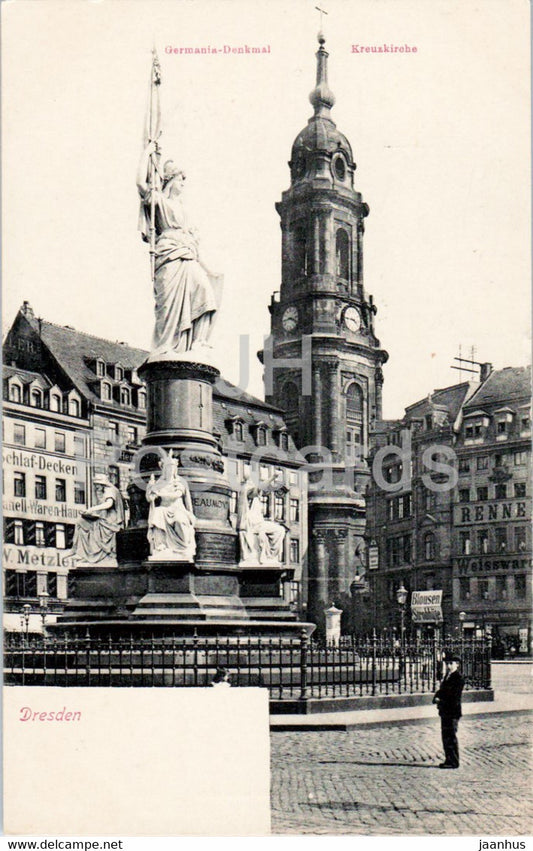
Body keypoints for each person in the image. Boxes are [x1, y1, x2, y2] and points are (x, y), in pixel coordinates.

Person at [137, 140, 218, 358]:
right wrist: (147, 152)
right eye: (181, 180)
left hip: (188, 256)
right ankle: (166, 346)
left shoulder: (185, 210)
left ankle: (198, 343)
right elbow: (141, 184)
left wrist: (210, 270)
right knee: (168, 309)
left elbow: (195, 244)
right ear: (171, 180)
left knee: (205, 290)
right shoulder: (160, 201)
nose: (183, 184)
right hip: (169, 256)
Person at [146, 451, 196, 560]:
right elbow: (150, 498)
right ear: (164, 469)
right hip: (164, 508)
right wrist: (149, 488)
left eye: (172, 468)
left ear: (175, 470)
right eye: (168, 468)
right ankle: (161, 546)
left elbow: (176, 495)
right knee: (157, 513)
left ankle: (182, 548)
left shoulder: (180, 482)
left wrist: (159, 493)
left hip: (178, 509)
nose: (170, 470)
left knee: (179, 520)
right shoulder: (159, 483)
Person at [72, 474, 125, 565]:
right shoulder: (104, 491)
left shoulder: (110, 490)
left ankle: (94, 556)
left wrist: (92, 509)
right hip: (103, 519)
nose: (96, 487)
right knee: (80, 522)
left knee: (93, 527)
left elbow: (109, 504)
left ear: (102, 483)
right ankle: (81, 553)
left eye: (97, 484)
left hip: (110, 521)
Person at [237, 471, 286, 565]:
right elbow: (259, 488)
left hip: (260, 524)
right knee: (277, 531)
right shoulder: (247, 490)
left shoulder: (254, 495)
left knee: (280, 530)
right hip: (253, 525)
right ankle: (268, 557)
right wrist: (272, 477)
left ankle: (271, 557)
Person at [432, 652, 464, 769]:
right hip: (445, 711)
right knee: (445, 736)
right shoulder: (448, 676)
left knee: (450, 736)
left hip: (452, 711)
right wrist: (436, 697)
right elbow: (442, 690)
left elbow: (453, 696)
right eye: (447, 664)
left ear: (457, 664)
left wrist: (441, 700)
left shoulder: (458, 678)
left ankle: (453, 761)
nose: (449, 666)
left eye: (451, 663)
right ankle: (448, 759)